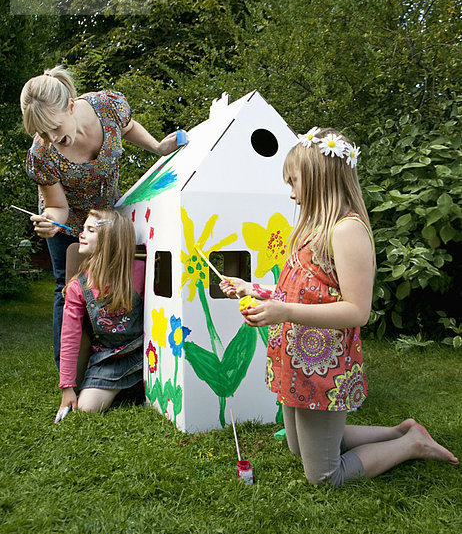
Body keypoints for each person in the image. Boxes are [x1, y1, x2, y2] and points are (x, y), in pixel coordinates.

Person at [220, 127, 458, 486]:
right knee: (298, 450)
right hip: (296, 359)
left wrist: (285, 313)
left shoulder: (347, 231)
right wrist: (251, 289)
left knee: (325, 476)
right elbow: (297, 291)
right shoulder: (313, 229)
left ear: (318, 179)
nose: (292, 193)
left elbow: (357, 311)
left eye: (294, 182)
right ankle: (398, 430)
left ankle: (412, 444)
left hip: (323, 367)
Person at [20, 65, 184, 367]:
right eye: (43, 132)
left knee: (111, 280)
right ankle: (68, 368)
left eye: (55, 127)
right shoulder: (43, 153)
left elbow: (127, 126)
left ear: (70, 104)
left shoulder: (107, 106)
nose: (51, 137)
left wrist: (158, 147)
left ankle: (115, 355)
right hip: (66, 224)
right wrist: (49, 222)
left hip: (104, 216)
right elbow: (58, 206)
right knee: (66, 285)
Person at [55, 209, 144, 421]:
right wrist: (67, 387)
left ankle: (134, 387)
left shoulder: (142, 271)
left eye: (90, 230)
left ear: (110, 240)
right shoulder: (78, 287)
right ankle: (124, 388)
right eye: (83, 229)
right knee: (86, 408)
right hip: (109, 359)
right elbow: (69, 338)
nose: (81, 234)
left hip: (145, 353)